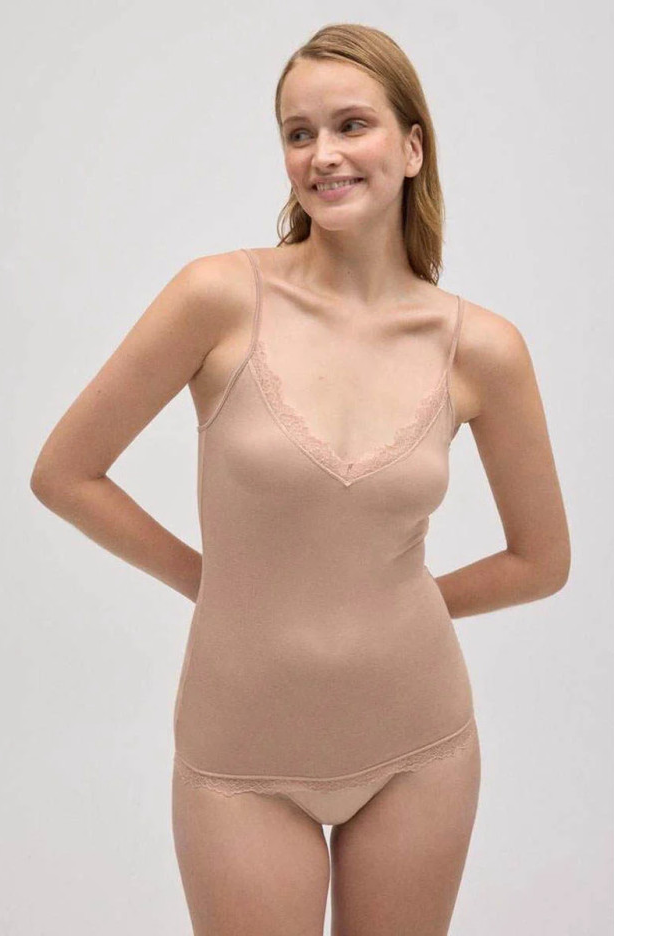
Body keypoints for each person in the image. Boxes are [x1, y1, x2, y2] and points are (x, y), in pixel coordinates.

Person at [30, 22, 571, 936]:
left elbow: (541, 561)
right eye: (298, 133)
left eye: (351, 125)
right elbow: (65, 472)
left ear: (412, 146)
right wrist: (211, 584)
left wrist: (396, 606)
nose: (323, 154)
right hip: (240, 752)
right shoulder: (217, 298)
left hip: (419, 746)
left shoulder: (482, 348)